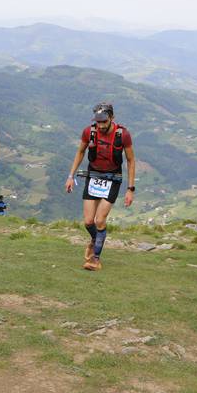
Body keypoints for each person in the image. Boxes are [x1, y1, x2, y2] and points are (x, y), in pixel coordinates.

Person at [65, 102, 135, 271]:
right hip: (93, 176)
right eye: (98, 122)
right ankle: (95, 240)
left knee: (100, 220)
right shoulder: (89, 132)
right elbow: (80, 152)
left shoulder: (123, 135)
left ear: (112, 118)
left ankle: (95, 259)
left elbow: (131, 161)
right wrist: (70, 176)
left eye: (104, 121)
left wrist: (130, 189)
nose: (101, 125)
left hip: (113, 178)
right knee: (89, 222)